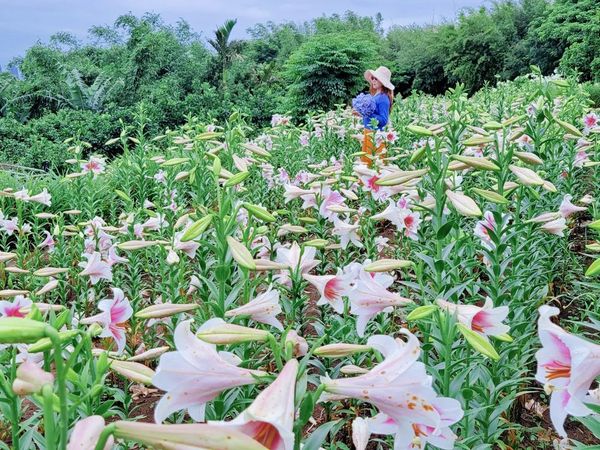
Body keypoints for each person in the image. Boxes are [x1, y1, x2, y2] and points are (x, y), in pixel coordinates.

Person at [356, 66, 394, 165]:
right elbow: (371, 115)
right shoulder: (376, 96)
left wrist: (367, 113)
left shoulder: (383, 98)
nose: (373, 80)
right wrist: (360, 113)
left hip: (375, 136)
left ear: (382, 81)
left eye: (376, 78)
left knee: (374, 165)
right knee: (367, 164)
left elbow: (384, 120)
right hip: (369, 133)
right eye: (372, 78)